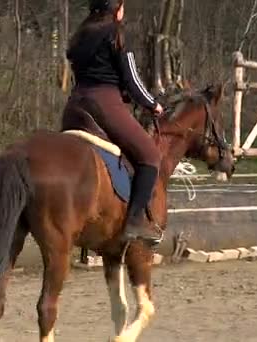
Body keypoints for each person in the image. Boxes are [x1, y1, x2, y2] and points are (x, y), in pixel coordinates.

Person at [62, 0, 164, 244]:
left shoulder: (79, 37)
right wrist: (152, 104)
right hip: (104, 104)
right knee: (150, 156)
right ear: (116, 9)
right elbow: (132, 80)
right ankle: (135, 221)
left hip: (74, 105)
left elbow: (96, 72)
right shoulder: (117, 34)